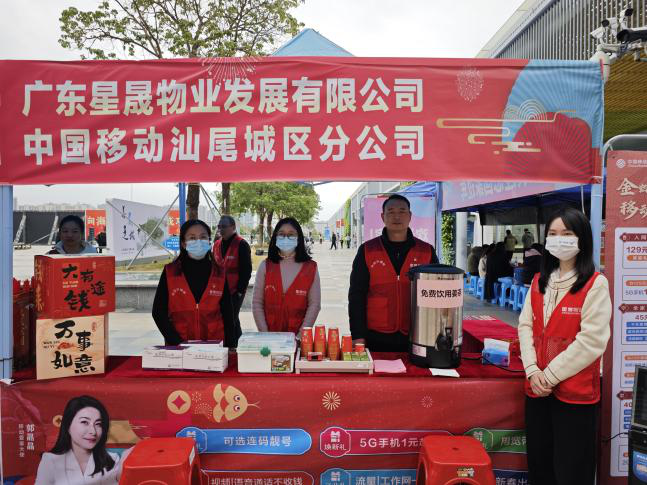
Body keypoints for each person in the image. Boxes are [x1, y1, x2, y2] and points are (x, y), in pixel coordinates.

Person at [517, 207, 611, 485]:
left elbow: (591, 341)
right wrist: (532, 370)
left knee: (572, 470)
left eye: (567, 234)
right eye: (553, 234)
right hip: (537, 390)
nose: (559, 240)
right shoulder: (540, 281)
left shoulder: (595, 284)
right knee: (540, 465)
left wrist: (549, 376)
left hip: (575, 395)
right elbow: (525, 326)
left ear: (582, 238)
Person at [349, 194, 439, 352]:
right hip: (375, 335)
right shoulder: (367, 250)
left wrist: (434, 333)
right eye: (390, 212)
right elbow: (356, 295)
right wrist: (357, 335)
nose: (397, 216)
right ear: (382, 217)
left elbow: (436, 296)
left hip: (416, 334)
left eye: (402, 211)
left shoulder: (426, 251)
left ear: (410, 216)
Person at [152, 219, 237, 347]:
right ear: (183, 243)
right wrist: (178, 343)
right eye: (192, 238)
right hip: (179, 345)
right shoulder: (171, 272)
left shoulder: (219, 273)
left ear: (209, 241)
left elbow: (228, 313)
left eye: (203, 237)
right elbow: (158, 312)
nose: (198, 241)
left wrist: (231, 345)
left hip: (214, 346)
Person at [35, 395, 131, 484]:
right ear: (68, 425)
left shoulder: (112, 460)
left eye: (98, 424)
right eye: (84, 422)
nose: (93, 431)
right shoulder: (50, 460)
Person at [253, 217, 321, 335]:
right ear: (275, 237)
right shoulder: (265, 266)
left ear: (298, 238)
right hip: (269, 337)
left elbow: (314, 305)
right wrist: (265, 334)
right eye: (281, 234)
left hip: (298, 337)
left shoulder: (311, 268)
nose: (285, 238)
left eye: (291, 234)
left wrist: (300, 336)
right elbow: (257, 303)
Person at [213, 216, 252, 340]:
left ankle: (231, 344)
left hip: (234, 291)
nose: (221, 229)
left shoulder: (241, 244)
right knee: (232, 319)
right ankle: (238, 342)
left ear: (233, 227)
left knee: (230, 319)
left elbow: (246, 270)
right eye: (219, 226)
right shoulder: (216, 244)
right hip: (219, 291)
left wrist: (239, 291)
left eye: (224, 226)